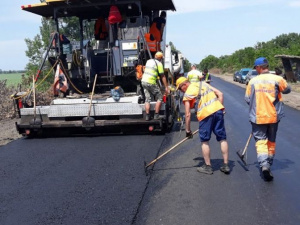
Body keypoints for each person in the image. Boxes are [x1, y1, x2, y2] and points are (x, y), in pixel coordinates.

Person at [245, 57, 291, 181]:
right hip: (273, 117)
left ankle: (264, 165)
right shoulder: (277, 79)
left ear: (260, 67)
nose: (256, 70)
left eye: (256, 68)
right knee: (271, 141)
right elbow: (287, 90)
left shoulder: (252, 81)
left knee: (260, 142)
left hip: (258, 118)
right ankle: (269, 163)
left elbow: (247, 99)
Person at [176, 77, 230, 175]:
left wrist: (188, 131)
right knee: (222, 138)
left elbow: (187, 114)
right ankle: (226, 165)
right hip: (218, 111)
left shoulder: (187, 94)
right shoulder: (203, 84)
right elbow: (220, 94)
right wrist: (220, 109)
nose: (181, 91)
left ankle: (208, 167)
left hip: (205, 115)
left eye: (180, 89)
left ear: (184, 85)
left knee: (205, 140)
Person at [142, 51, 169, 121]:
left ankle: (147, 116)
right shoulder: (159, 64)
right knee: (160, 97)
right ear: (160, 58)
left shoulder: (148, 61)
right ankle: (156, 115)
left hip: (144, 81)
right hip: (151, 82)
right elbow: (162, 76)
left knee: (147, 99)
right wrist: (166, 87)